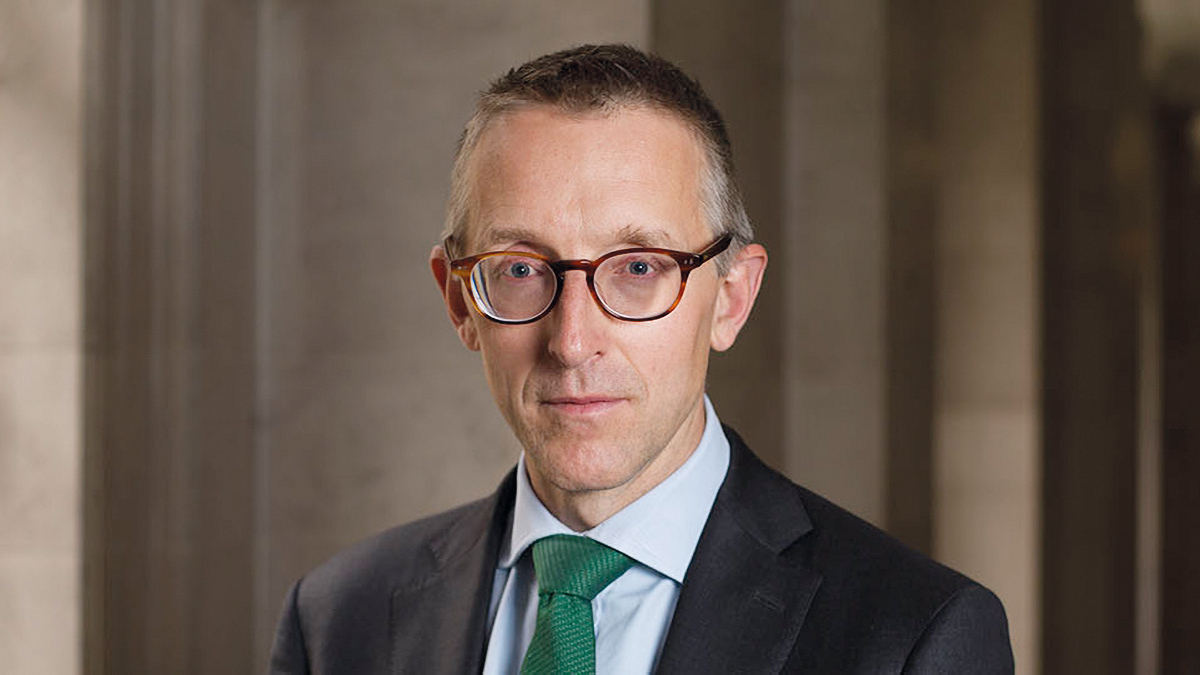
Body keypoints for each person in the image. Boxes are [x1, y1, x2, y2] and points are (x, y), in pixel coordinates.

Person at [268, 44, 1013, 674]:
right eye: (521, 268)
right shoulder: (335, 621)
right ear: (460, 300)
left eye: (638, 267)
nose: (572, 341)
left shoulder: (916, 637)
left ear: (731, 298)